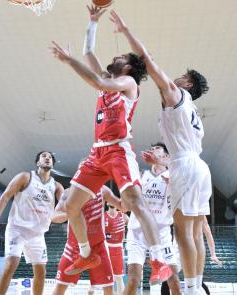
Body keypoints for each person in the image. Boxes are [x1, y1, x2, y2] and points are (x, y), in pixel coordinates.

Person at [48, 5, 171, 284]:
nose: (114, 57)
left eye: (120, 56)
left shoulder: (128, 82)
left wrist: (68, 62)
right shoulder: (108, 79)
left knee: (136, 203)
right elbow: (88, 55)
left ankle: (159, 259)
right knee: (69, 206)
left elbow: (96, 81)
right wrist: (92, 23)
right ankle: (85, 252)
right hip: (97, 152)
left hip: (118, 150)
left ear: (127, 66)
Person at [109, 10, 211, 295]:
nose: (175, 78)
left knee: (184, 233)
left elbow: (150, 64)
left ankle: (191, 289)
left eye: (182, 76)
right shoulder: (192, 110)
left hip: (184, 165)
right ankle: (195, 286)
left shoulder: (176, 95)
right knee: (193, 231)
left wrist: (127, 31)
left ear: (188, 84)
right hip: (200, 167)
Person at [0, 151, 64, 295]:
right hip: (17, 228)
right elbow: (5, 196)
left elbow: (63, 210)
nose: (47, 158)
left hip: (38, 233)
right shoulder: (25, 177)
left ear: (53, 164)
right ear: (37, 162)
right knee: (11, 264)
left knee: (41, 272)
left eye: (50, 157)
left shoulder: (57, 186)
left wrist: (71, 215)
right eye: (44, 156)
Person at [125, 143, 181, 295]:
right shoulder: (142, 175)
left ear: (166, 156)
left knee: (174, 280)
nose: (152, 149)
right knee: (133, 280)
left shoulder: (174, 174)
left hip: (162, 232)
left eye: (157, 148)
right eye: (151, 148)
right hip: (138, 231)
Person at [52, 186, 122, 295]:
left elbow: (122, 206)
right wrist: (70, 213)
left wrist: (131, 192)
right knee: (60, 287)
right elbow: (54, 216)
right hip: (74, 247)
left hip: (98, 247)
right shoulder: (69, 192)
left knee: (109, 289)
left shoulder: (103, 190)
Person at [104, 203, 129, 295]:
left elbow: (135, 226)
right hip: (106, 248)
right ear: (107, 203)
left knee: (118, 277)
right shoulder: (103, 216)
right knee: (107, 278)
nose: (111, 202)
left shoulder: (123, 216)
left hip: (118, 248)